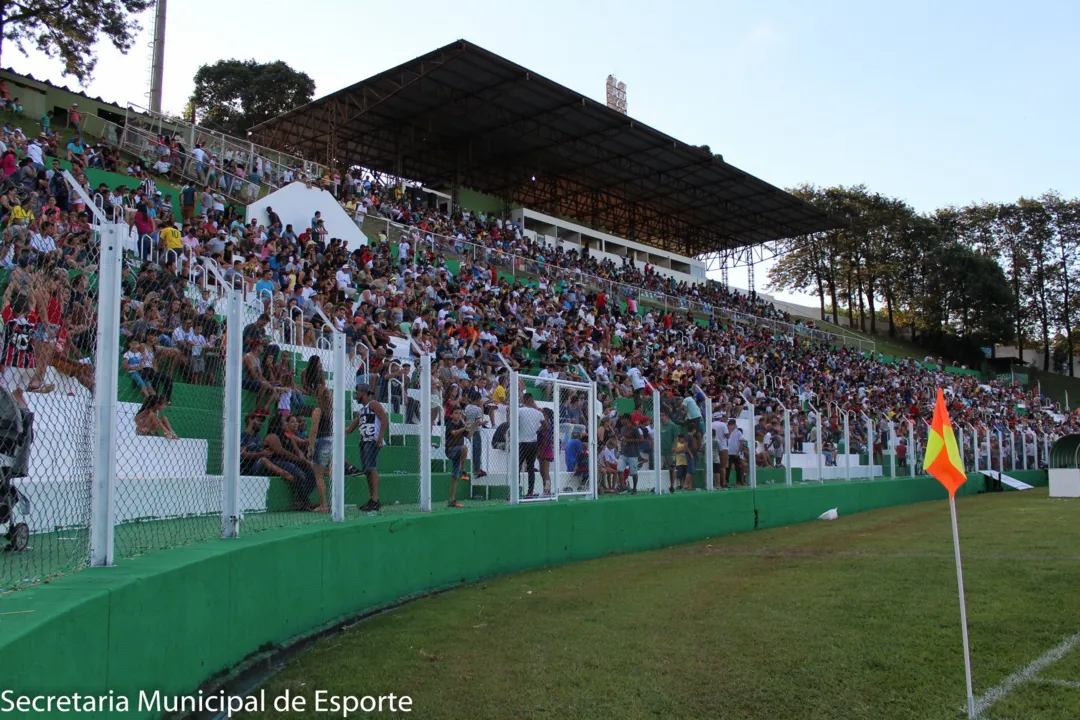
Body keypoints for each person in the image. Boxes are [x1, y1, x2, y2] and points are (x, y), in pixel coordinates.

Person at [345, 382, 387, 512]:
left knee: (371, 468)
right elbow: (351, 427)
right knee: (367, 469)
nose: (356, 395)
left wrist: (379, 437)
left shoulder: (373, 404)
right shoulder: (362, 411)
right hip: (364, 441)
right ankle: (372, 499)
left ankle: (375, 499)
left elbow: (384, 419)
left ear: (363, 393)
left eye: (357, 392)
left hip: (372, 440)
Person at [516, 394, 545, 497]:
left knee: (517, 467)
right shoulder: (538, 413)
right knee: (531, 468)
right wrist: (537, 430)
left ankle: (514, 492)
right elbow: (545, 426)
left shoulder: (519, 410)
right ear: (532, 400)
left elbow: (512, 422)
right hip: (533, 443)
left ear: (524, 400)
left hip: (521, 442)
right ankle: (530, 492)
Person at [443, 406, 468, 508]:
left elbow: (469, 436)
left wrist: (476, 426)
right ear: (452, 414)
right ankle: (463, 470)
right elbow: (454, 433)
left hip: (458, 453)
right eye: (456, 413)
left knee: (454, 477)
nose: (458, 415)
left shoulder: (461, 424)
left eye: (460, 413)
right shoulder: (449, 423)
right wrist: (465, 427)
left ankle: (451, 500)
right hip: (450, 451)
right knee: (464, 448)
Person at [619, 414, 643, 494]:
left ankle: (635, 488)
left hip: (633, 453)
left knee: (633, 473)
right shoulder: (622, 429)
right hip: (623, 453)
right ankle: (623, 487)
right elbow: (623, 438)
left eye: (623, 419)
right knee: (619, 470)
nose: (621, 421)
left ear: (628, 420)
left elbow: (640, 439)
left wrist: (629, 441)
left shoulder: (634, 429)